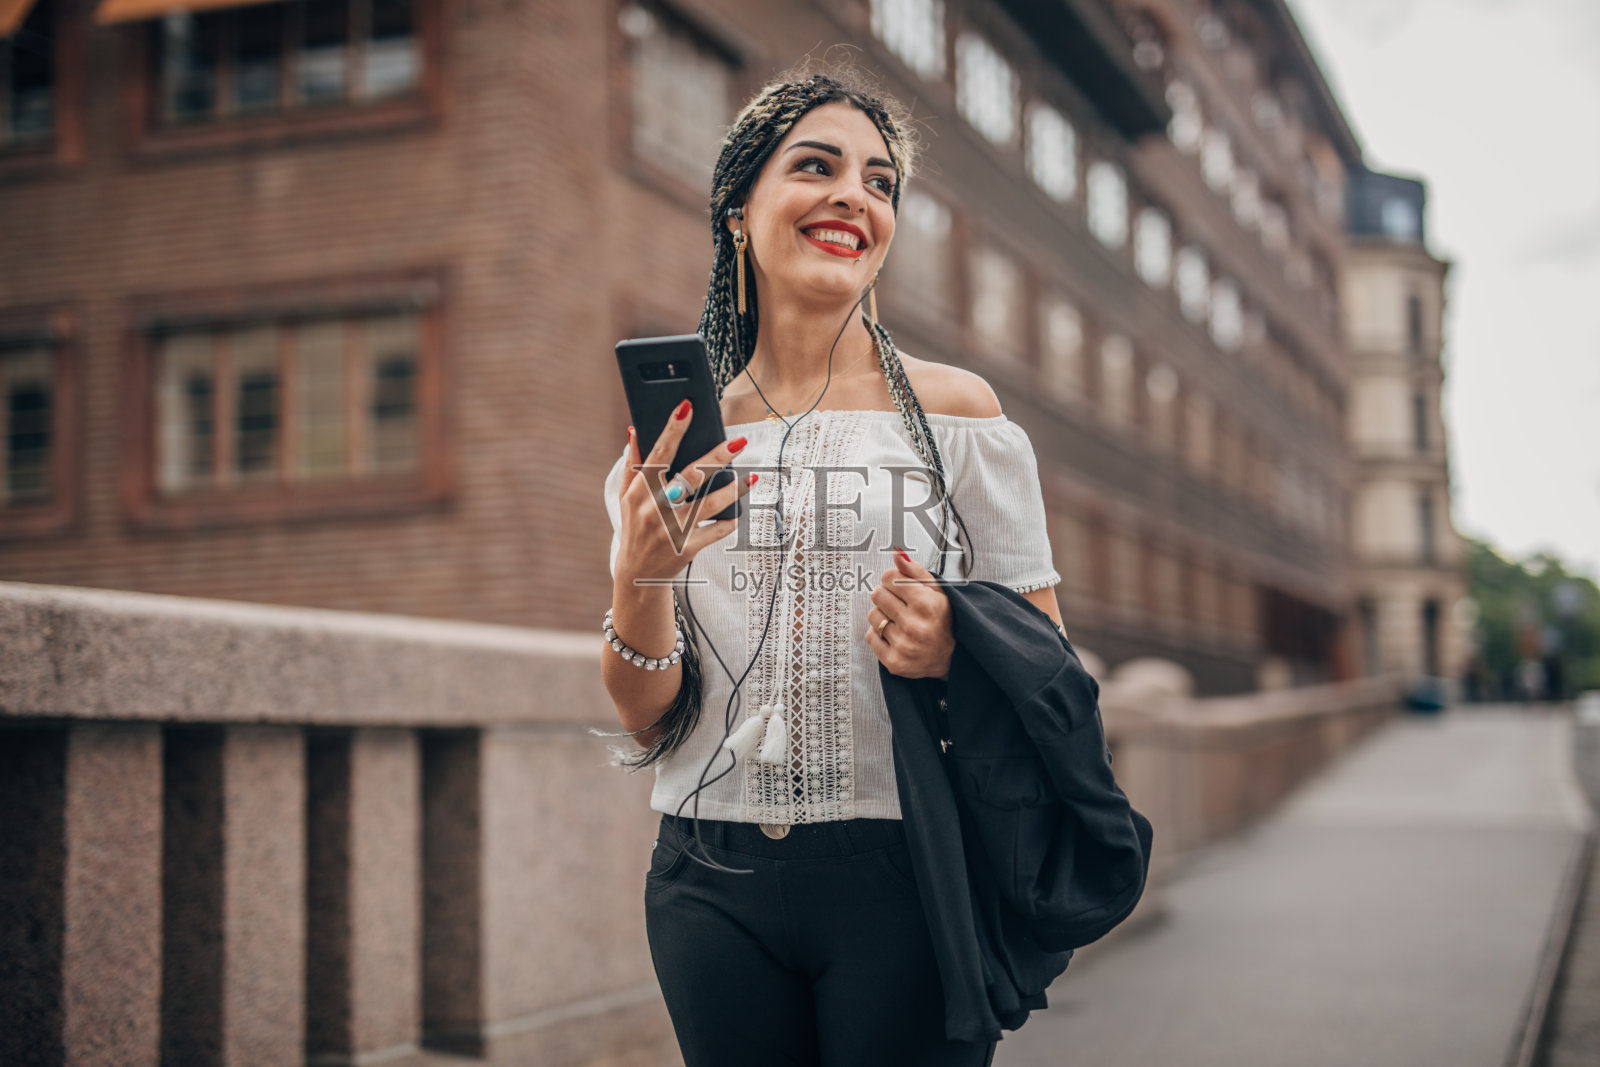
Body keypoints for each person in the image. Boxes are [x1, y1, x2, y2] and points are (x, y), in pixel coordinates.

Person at [601, 65, 1065, 1066]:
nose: (856, 194)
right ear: (738, 211)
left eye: (880, 180)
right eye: (816, 166)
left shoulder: (961, 419)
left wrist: (955, 647)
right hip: (703, 874)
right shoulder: (677, 442)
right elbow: (646, 716)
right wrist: (637, 582)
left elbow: (1052, 668)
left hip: (903, 866)